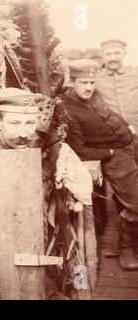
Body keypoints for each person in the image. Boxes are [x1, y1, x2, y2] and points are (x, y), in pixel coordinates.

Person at [58, 58, 138, 270]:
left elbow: (110, 116)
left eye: (92, 83)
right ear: (72, 82)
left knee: (127, 201)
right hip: (116, 156)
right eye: (83, 83)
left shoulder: (94, 97)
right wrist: (109, 152)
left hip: (129, 147)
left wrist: (127, 128)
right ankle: (126, 249)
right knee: (136, 204)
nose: (89, 88)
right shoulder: (68, 108)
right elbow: (80, 149)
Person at [95, 39, 138, 134]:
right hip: (114, 134)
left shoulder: (135, 74)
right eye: (108, 54)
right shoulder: (96, 78)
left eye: (117, 53)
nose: (113, 58)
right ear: (102, 55)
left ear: (124, 54)